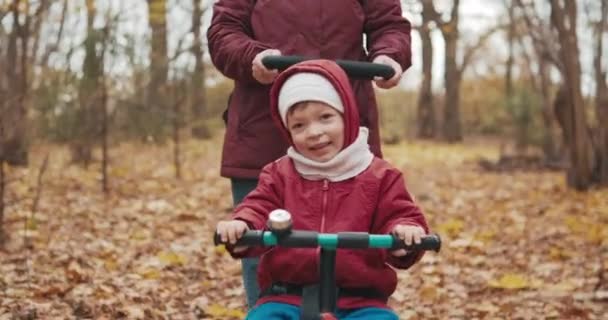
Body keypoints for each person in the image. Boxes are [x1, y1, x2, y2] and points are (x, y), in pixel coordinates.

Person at [207, 0, 413, 308]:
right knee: (263, 245)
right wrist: (253, 56)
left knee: (356, 247)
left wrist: (389, 56)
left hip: (345, 129)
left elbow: (389, 24)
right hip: (263, 130)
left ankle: (357, 307)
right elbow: (225, 29)